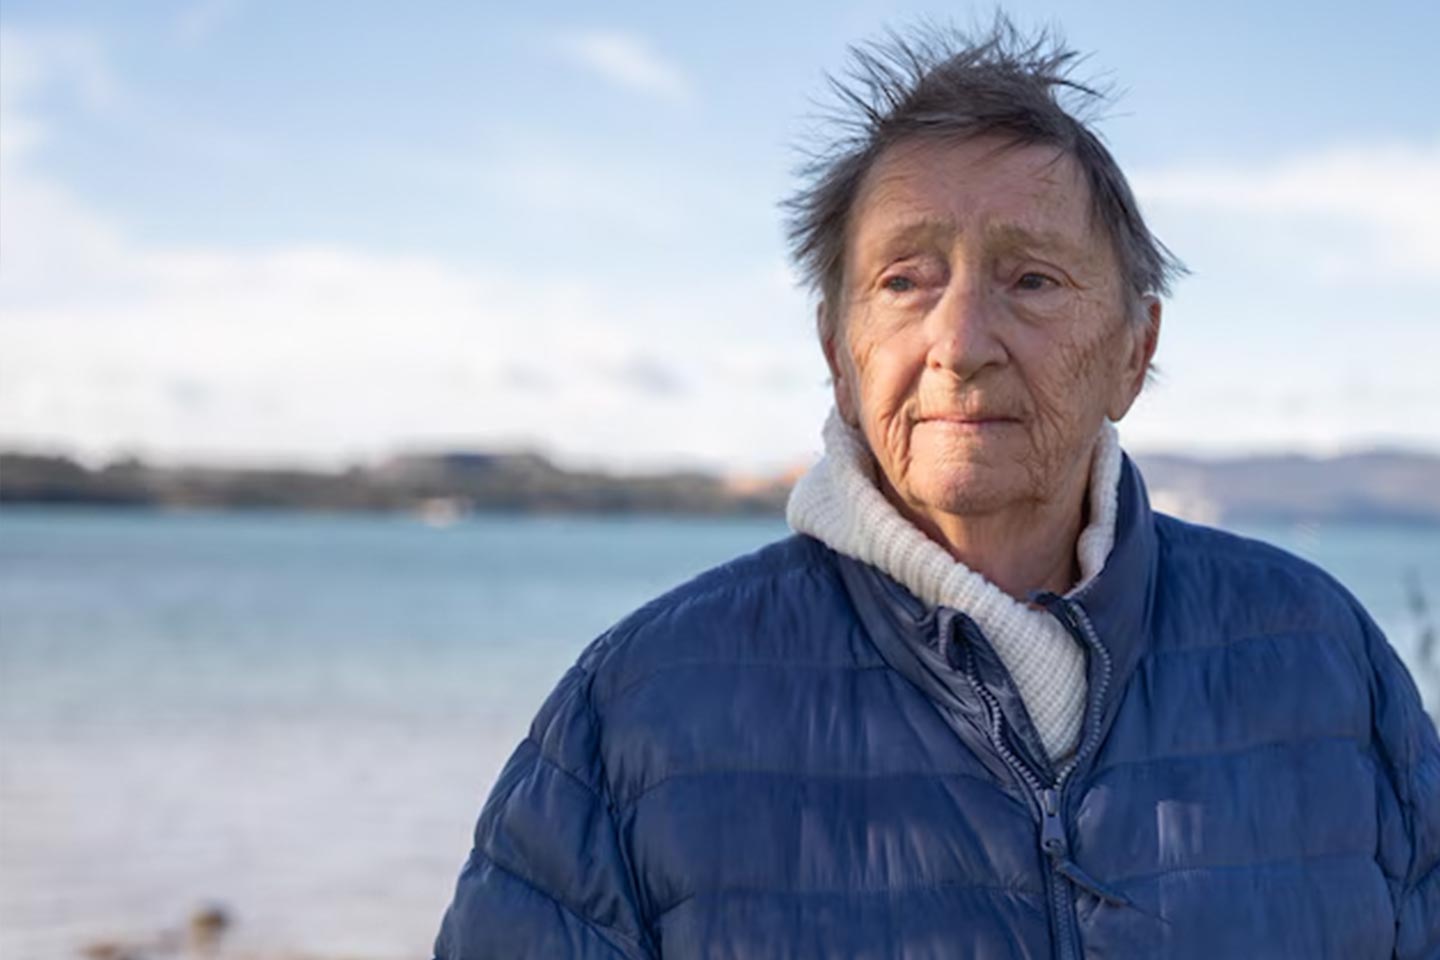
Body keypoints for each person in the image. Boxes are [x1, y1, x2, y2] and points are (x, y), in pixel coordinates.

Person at [433, 20, 1440, 959]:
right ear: (840, 352)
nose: (958, 345)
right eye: (905, 281)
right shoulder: (641, 708)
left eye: (1033, 280)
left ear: (1137, 349)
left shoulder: (1320, 658)